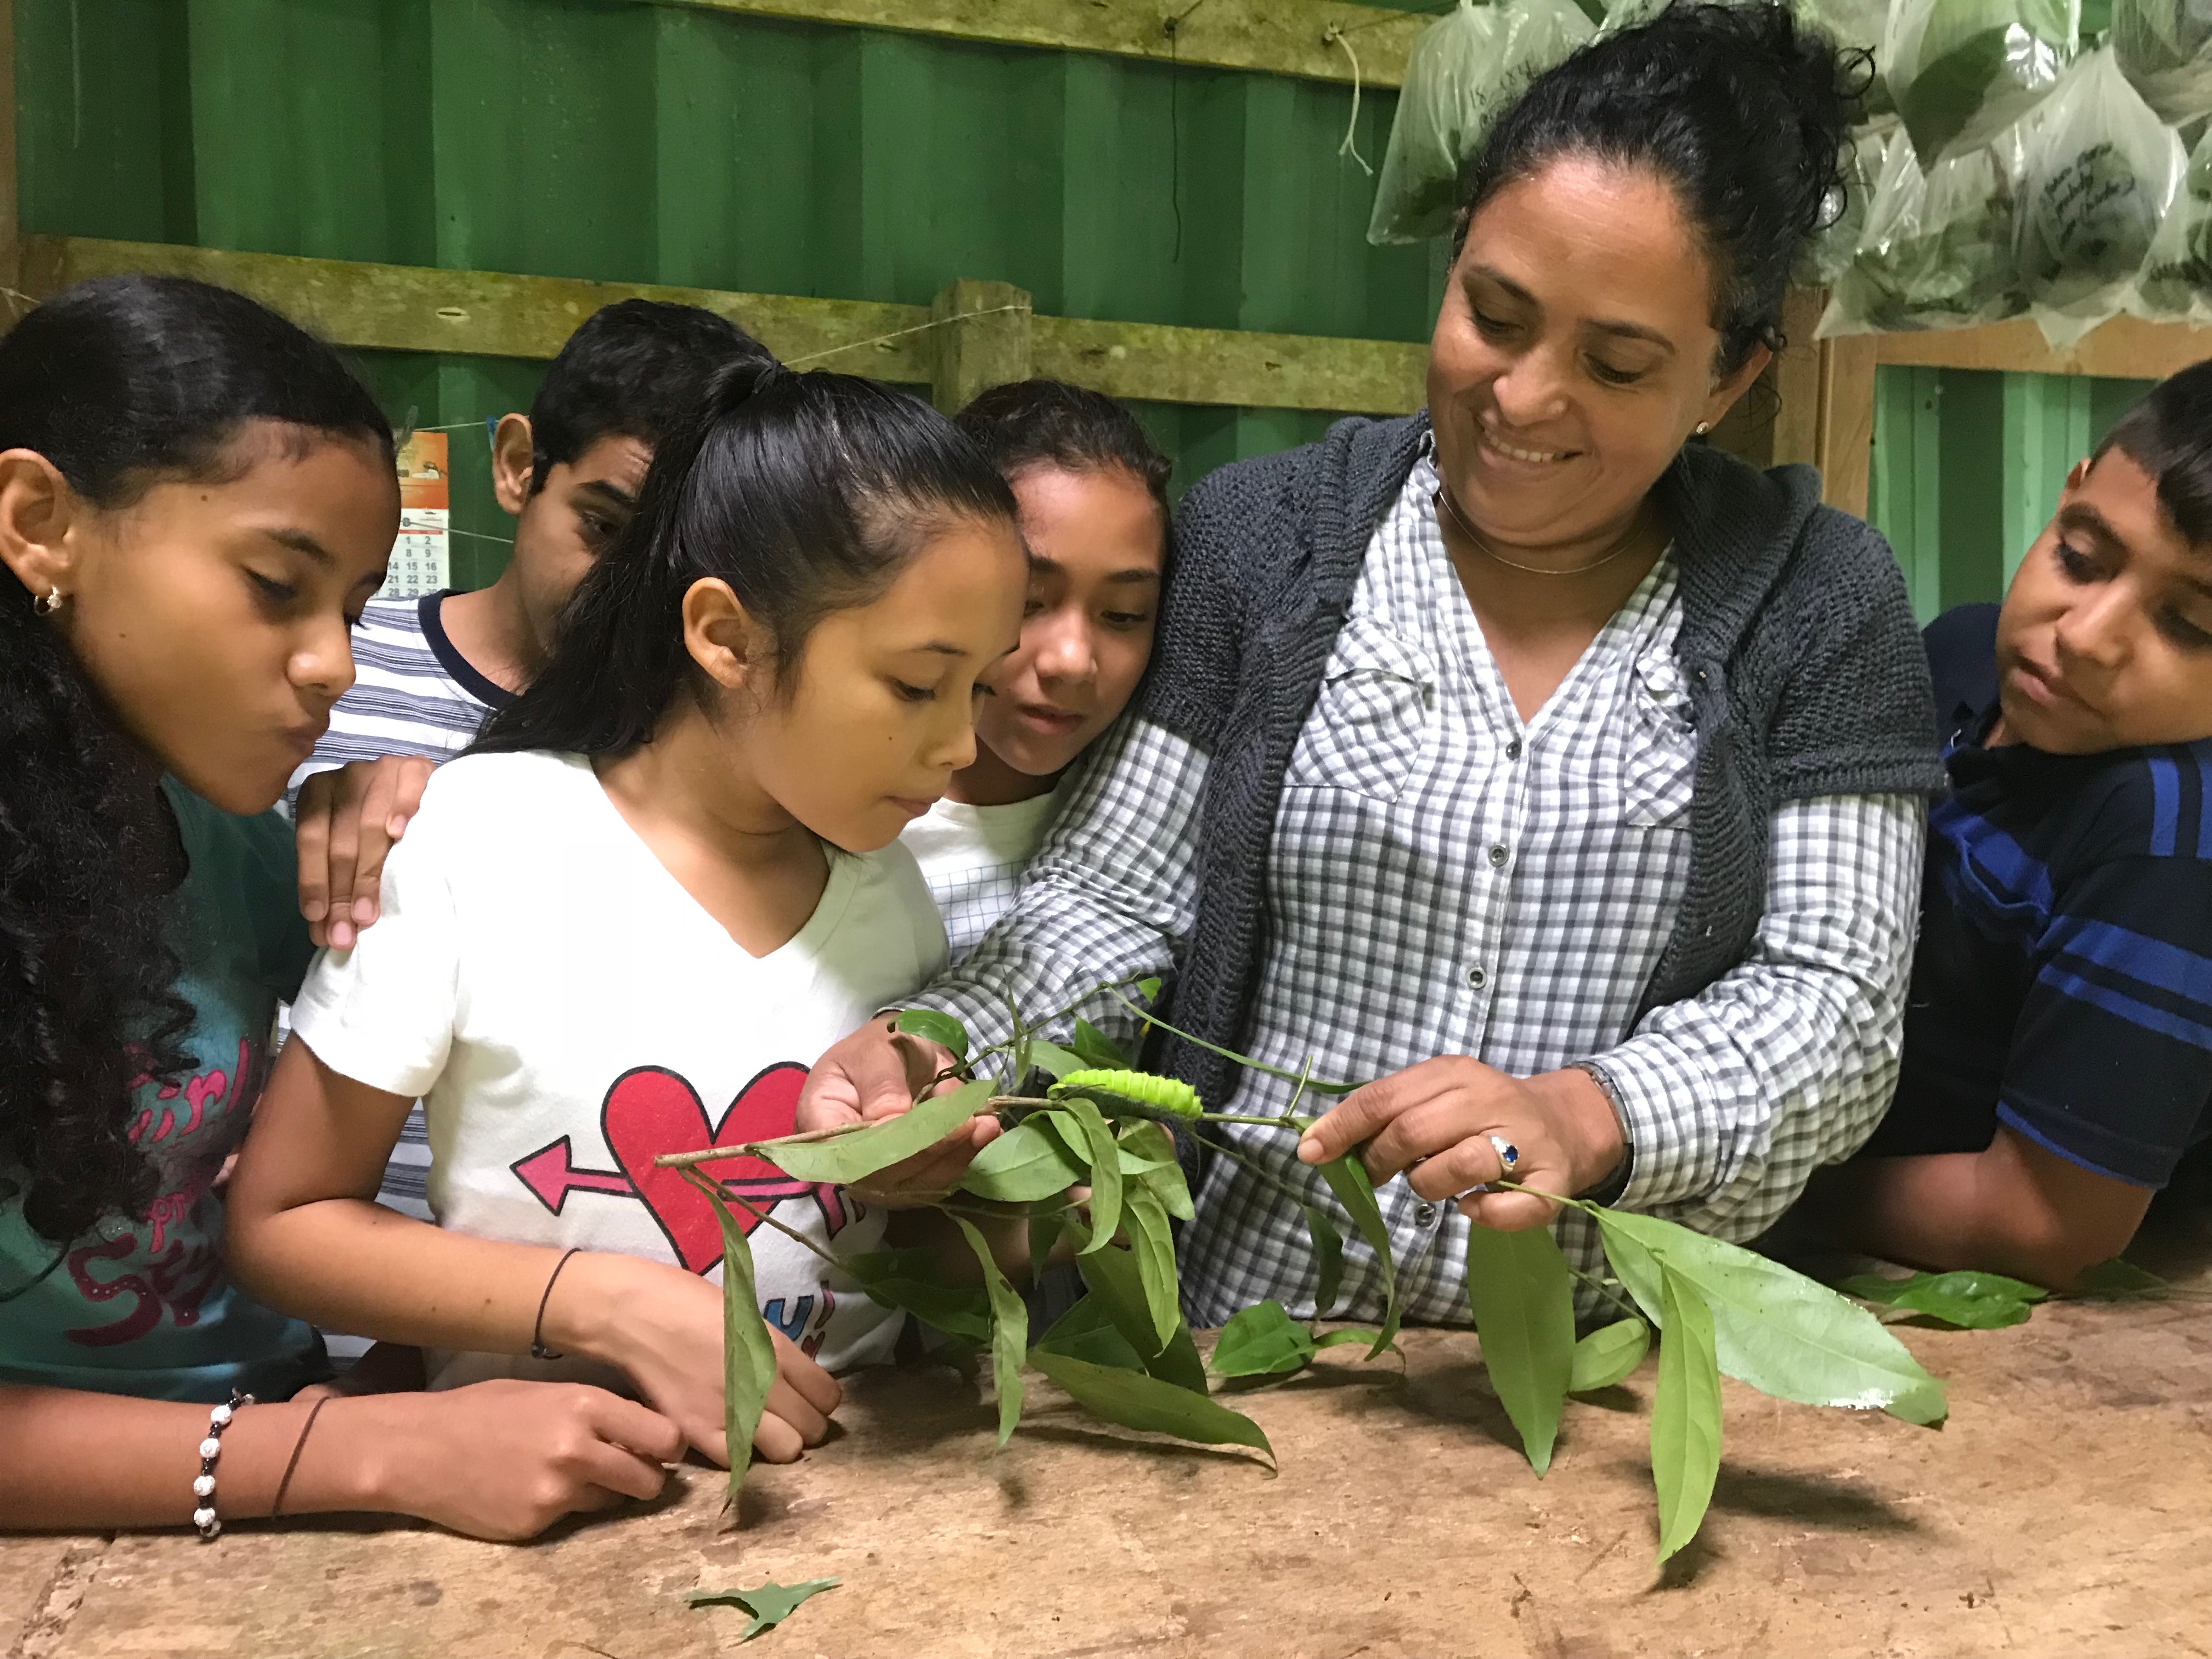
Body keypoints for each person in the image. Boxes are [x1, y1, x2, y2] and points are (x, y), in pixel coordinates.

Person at [796, 2, 1948, 1327]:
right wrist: (943, 1045)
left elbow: (1836, 1010)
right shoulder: (1269, 542)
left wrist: (1593, 1113)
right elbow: (1115, 903)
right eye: (1493, 315)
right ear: (1452, 260)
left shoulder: (1819, 599)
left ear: (1728, 377)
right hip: (1249, 1344)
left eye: (1616, 363)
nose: (1522, 398)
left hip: (1603, 1373)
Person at [224, 368, 1026, 1468]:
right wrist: (600, 1304)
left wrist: (969, 1196)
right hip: (548, 1519)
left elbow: (912, 1263)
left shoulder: (891, 897)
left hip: (835, 1511)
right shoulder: (478, 840)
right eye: (916, 685)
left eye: (981, 687)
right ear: (726, 636)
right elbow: (284, 1224)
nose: (960, 749)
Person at [0, 274, 685, 1539]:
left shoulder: (228, 844)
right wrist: (359, 1451)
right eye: (276, 585)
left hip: (285, 1434)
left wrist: (411, 838)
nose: (336, 665)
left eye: (358, 607)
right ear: (41, 522)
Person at [289, 301, 774, 1245]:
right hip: (325, 1293)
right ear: (518, 465)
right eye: (602, 526)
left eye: (672, 566)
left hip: (561, 1316)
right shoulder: (327, 673)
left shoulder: (699, 751)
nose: (623, 595)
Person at [1811, 366, 2212, 1289]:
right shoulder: (1958, 652)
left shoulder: (2163, 835)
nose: (2085, 634)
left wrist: (1762, 1186)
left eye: (2187, 622)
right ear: (2068, 491)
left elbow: (2044, 1221)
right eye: (2079, 555)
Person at [903, 379, 1171, 958]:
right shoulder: (839, 823)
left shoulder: (1147, 850)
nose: (1072, 661)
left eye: (1124, 616)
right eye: (1028, 600)